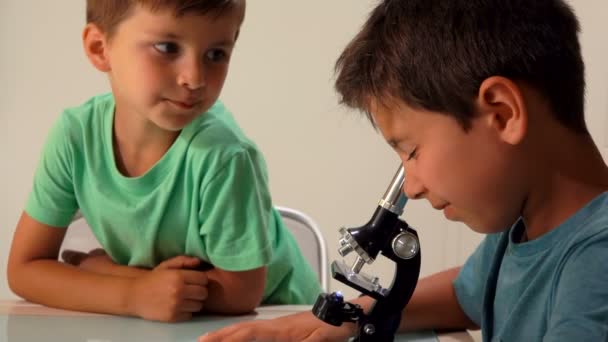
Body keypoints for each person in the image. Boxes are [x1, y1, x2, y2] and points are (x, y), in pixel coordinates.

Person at [199, 0, 608, 340]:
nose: (410, 187)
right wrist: (309, 325)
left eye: (411, 152)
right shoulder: (528, 226)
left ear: (501, 113)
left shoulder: (597, 261)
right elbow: (461, 292)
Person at [7, 0, 321, 323]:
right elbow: (24, 269)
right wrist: (134, 293)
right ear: (100, 48)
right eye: (167, 47)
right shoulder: (74, 137)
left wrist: (110, 275)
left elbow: (241, 291)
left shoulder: (224, 157)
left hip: (281, 318)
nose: (194, 78)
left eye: (216, 54)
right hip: (171, 320)